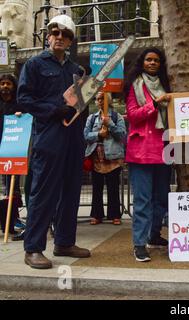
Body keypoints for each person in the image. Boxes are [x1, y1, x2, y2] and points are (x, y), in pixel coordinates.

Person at [17, 14, 90, 269]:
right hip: (49, 135)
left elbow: (81, 105)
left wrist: (86, 100)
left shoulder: (76, 70)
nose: (59, 38)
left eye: (65, 35)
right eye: (55, 33)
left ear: (70, 40)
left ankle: (64, 242)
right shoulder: (35, 65)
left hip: (73, 136)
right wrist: (53, 109)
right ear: (48, 36)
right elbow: (24, 99)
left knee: (71, 191)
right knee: (44, 193)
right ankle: (33, 248)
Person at [124, 47, 172, 262]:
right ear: (142, 62)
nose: (152, 63)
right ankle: (139, 244)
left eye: (156, 60)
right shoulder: (135, 85)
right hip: (141, 150)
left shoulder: (167, 85)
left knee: (161, 198)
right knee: (142, 200)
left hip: (165, 147)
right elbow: (133, 116)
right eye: (148, 60)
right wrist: (155, 103)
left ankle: (154, 235)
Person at [84, 92, 126, 225]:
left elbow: (122, 134)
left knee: (113, 187)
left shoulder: (116, 116)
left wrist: (110, 124)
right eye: (98, 99)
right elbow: (85, 135)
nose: (100, 101)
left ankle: (115, 215)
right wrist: (98, 134)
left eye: (103, 99)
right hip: (97, 157)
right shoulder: (92, 118)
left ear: (109, 100)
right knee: (97, 188)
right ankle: (97, 215)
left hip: (113, 157)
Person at [0, 74, 25, 241]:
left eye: (8, 83)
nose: (4, 86)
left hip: (13, 150)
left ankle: (11, 221)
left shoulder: (19, 104)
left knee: (12, 189)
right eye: (2, 83)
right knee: (4, 190)